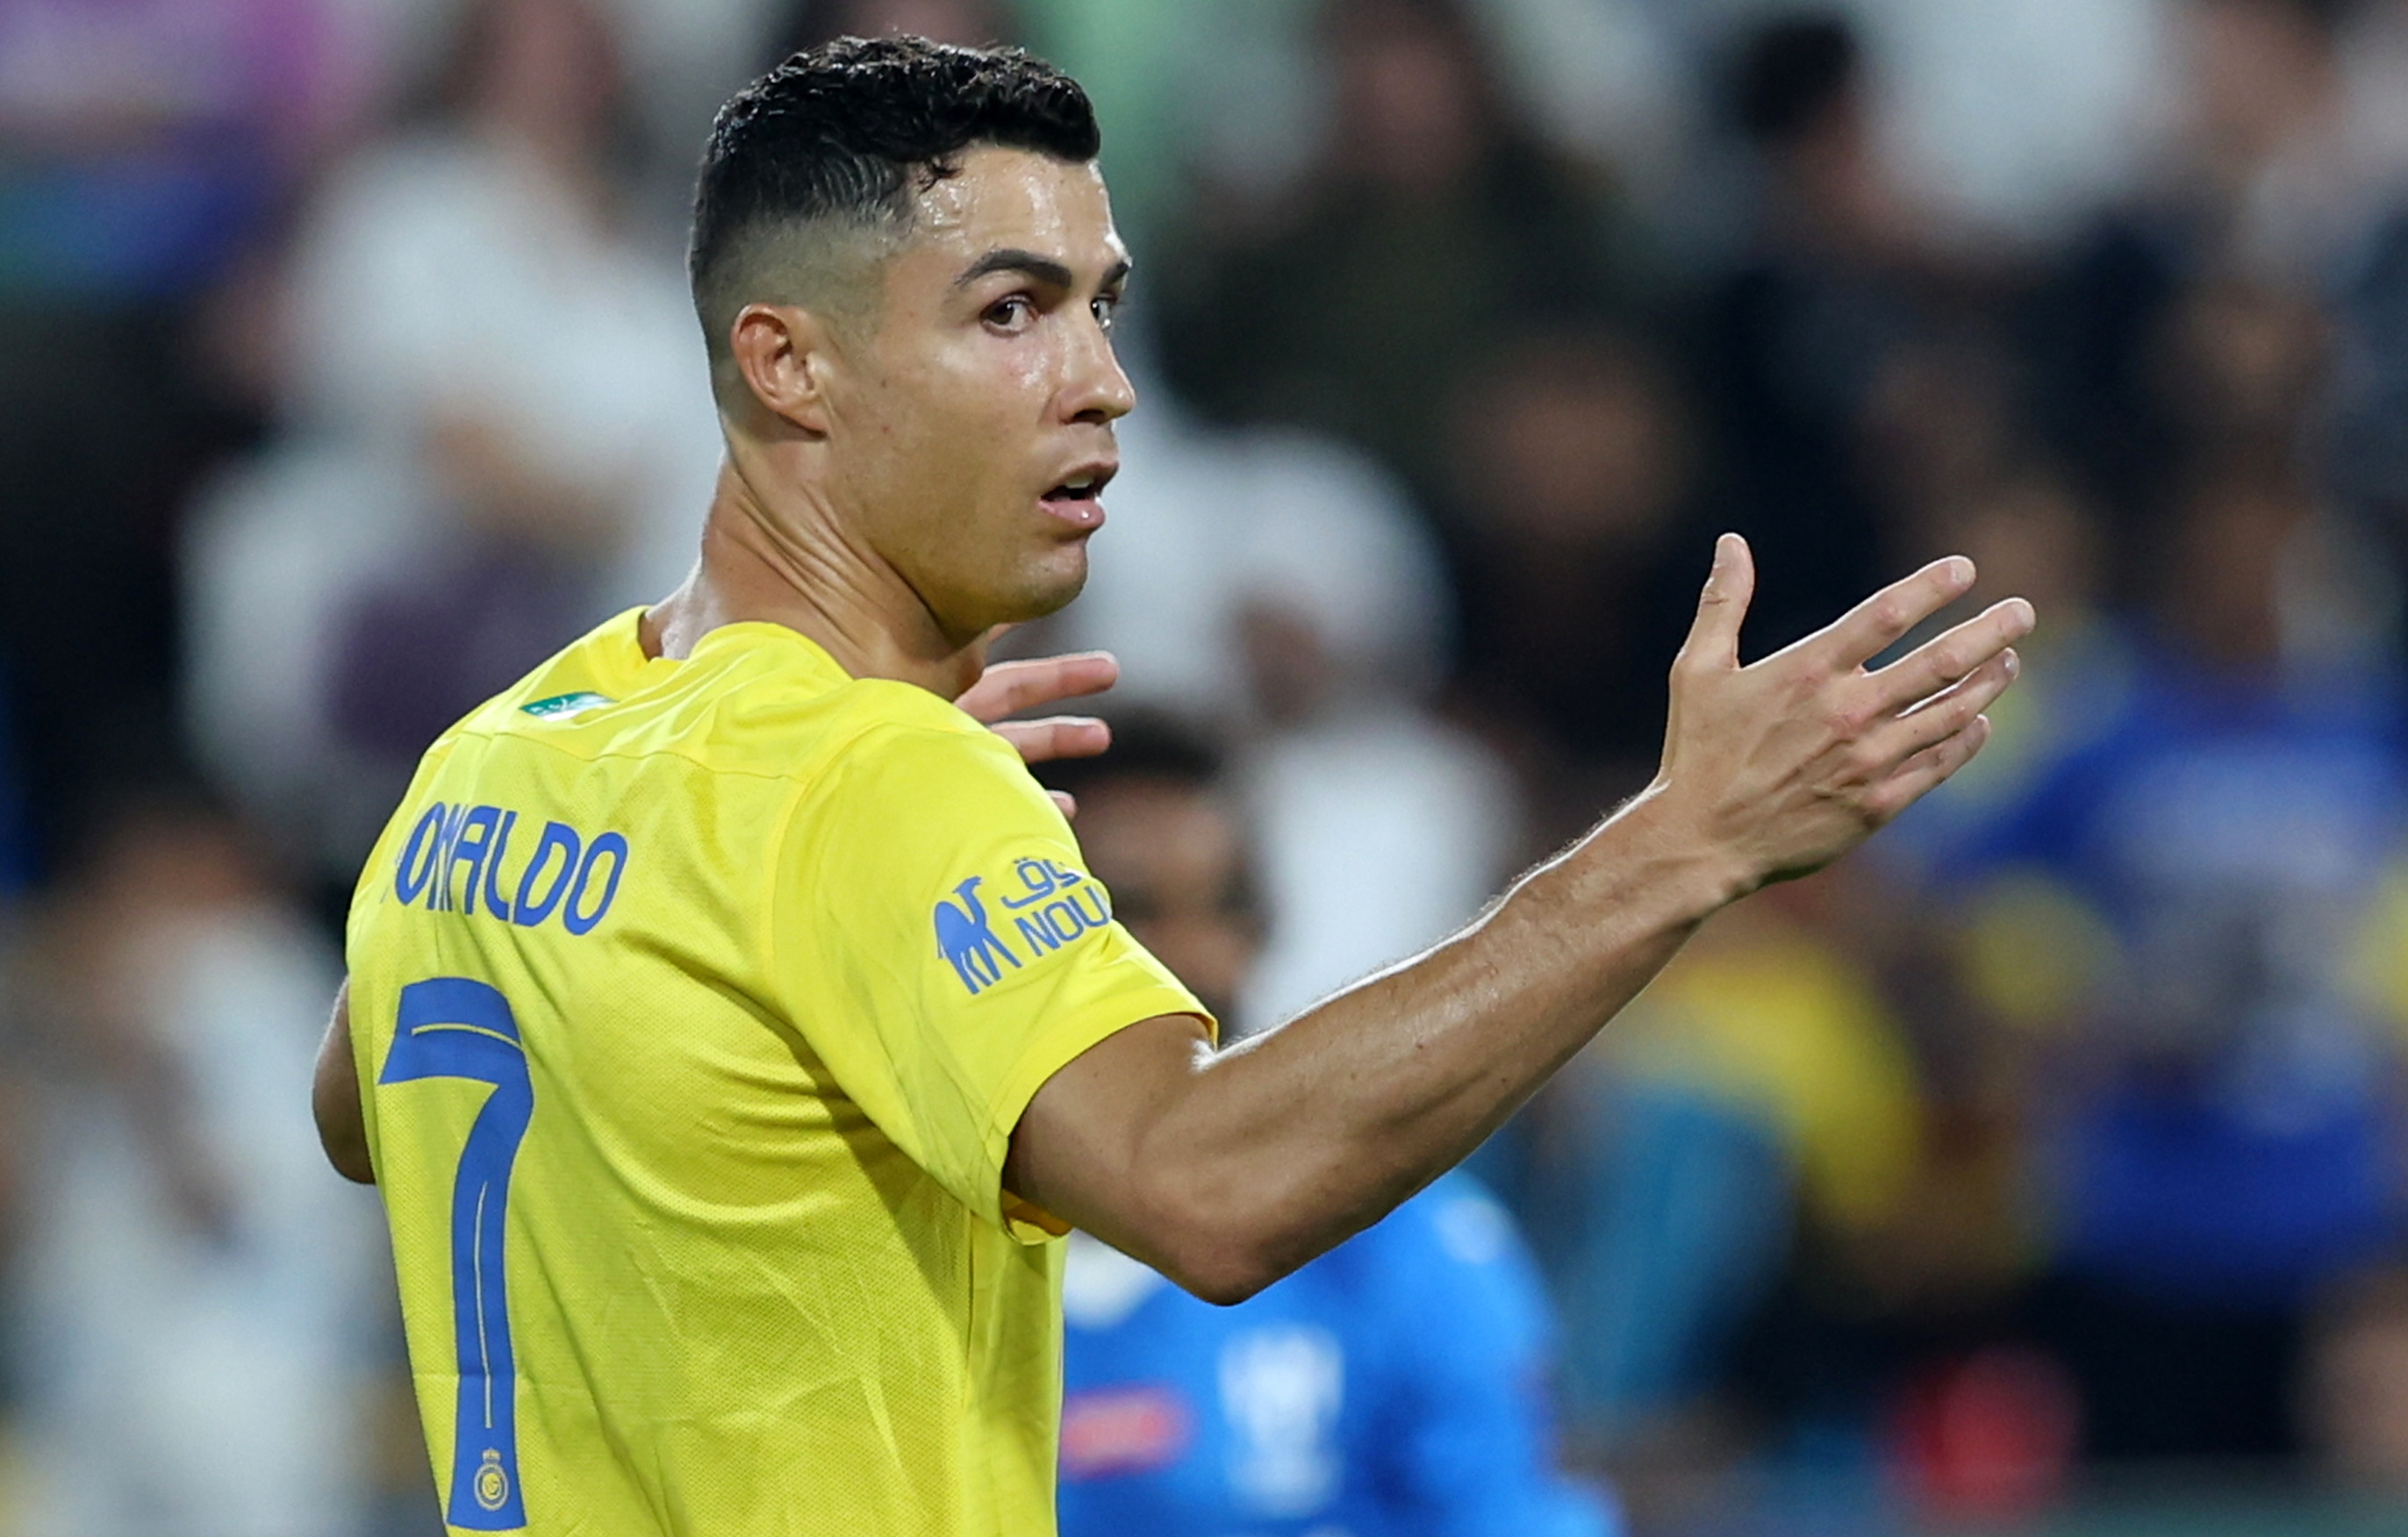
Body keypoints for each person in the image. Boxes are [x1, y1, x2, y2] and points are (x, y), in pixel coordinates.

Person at [309, 36, 2031, 1535]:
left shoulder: (510, 753)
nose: (1102, 385)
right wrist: (1683, 843)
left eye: (1101, 306)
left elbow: (360, 1104)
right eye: (1010, 312)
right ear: (787, 364)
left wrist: (801, 901)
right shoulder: (867, 786)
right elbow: (1204, 1189)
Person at [1044, 715, 1612, 1535]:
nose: (1197, 961)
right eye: (1128, 915)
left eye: (1229, 910)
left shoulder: (1406, 1253)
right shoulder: (908, 1258)